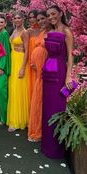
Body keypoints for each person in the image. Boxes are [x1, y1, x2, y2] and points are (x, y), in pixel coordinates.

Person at [41, 5, 74, 159]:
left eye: (53, 13)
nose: (51, 17)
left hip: (60, 72)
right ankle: (47, 145)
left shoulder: (66, 31)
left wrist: (68, 77)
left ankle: (56, 149)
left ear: (61, 13)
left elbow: (70, 56)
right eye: (48, 15)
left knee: (56, 107)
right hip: (47, 72)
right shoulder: (50, 31)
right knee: (47, 108)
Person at [28, 11, 50, 142]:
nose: (41, 21)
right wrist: (33, 62)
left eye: (43, 18)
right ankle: (36, 128)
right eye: (39, 19)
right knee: (37, 97)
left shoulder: (53, 32)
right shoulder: (42, 32)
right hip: (38, 69)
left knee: (40, 97)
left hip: (46, 69)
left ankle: (40, 130)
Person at [7, 11, 30, 132]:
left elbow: (27, 51)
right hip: (13, 60)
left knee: (18, 90)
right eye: (14, 18)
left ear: (23, 19)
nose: (16, 19)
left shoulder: (25, 33)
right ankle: (14, 118)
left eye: (19, 18)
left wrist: (22, 68)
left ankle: (18, 121)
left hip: (20, 61)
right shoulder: (14, 31)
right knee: (13, 89)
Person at [0, 15, 11, 124]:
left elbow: (4, 52)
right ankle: (1, 116)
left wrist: (2, 67)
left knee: (2, 90)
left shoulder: (5, 34)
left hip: (2, 66)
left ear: (5, 23)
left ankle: (4, 117)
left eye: (2, 22)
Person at [27, 10, 40, 100]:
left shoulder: (44, 30)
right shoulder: (28, 31)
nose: (32, 19)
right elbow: (26, 48)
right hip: (30, 62)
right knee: (31, 84)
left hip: (41, 61)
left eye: (33, 17)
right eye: (30, 17)